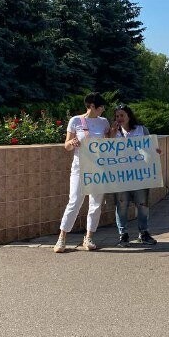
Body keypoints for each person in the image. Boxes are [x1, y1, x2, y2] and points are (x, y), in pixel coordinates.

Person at [55, 92, 111, 253]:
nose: (103, 110)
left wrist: (112, 131)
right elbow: (66, 145)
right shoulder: (76, 121)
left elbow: (109, 143)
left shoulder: (104, 122)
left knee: (95, 204)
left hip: (98, 168)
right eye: (101, 107)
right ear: (92, 106)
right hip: (80, 168)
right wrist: (72, 143)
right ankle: (62, 237)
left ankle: (89, 237)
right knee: (74, 201)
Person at [111, 103, 159, 248]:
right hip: (121, 176)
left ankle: (143, 233)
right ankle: (123, 235)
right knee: (122, 205)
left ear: (129, 116)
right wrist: (111, 134)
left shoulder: (141, 130)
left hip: (139, 175)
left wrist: (155, 152)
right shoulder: (114, 132)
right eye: (117, 116)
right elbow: (107, 151)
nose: (119, 118)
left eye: (122, 115)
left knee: (142, 204)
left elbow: (149, 148)